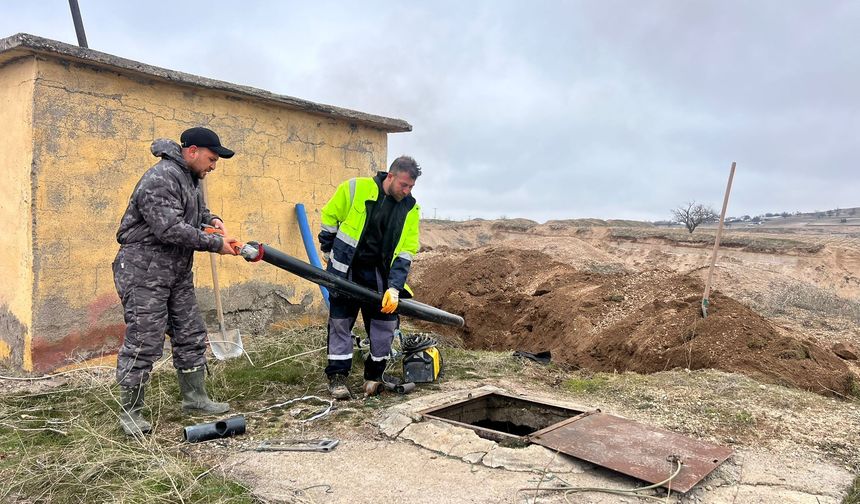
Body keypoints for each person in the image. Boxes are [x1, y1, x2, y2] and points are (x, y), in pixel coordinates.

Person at [112, 127, 240, 436]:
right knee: (144, 339)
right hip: (144, 271)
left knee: (190, 332)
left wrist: (212, 220)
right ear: (192, 151)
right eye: (211, 159)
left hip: (177, 270)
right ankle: (131, 412)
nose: (213, 166)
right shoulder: (160, 178)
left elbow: (193, 212)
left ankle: (195, 399)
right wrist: (216, 244)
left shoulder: (189, 178)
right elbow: (169, 229)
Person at [318, 156, 421, 399]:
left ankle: (374, 377)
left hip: (380, 276)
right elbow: (330, 216)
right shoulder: (355, 188)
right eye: (403, 185)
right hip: (347, 270)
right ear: (390, 176)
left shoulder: (410, 208)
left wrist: (394, 287)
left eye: (411, 187)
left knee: (385, 326)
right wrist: (328, 250)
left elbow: (406, 251)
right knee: (340, 323)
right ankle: (337, 378)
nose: (406, 191)